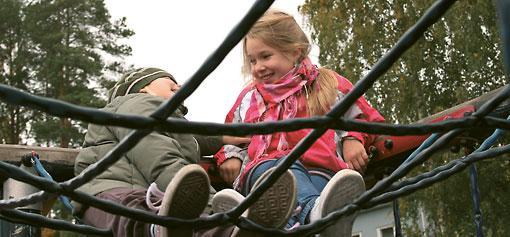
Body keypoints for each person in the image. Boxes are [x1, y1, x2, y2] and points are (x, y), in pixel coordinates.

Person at [213, 9, 385, 237]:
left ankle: (269, 223)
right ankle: (317, 217)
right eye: (252, 60)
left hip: (320, 170)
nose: (257, 67)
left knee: (313, 186)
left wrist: (353, 137)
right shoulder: (250, 98)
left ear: (295, 51)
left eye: (266, 56)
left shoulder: (327, 84)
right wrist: (230, 155)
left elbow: (364, 118)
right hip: (264, 173)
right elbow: (230, 134)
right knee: (276, 170)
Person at [73, 67, 251, 237]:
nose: (179, 86)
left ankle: (231, 231)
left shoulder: (159, 120)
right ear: (142, 88)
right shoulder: (135, 104)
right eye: (170, 83)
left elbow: (190, 138)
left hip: (153, 198)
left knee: (188, 222)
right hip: (108, 191)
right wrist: (211, 203)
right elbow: (159, 158)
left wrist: (222, 138)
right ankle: (160, 229)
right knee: (132, 213)